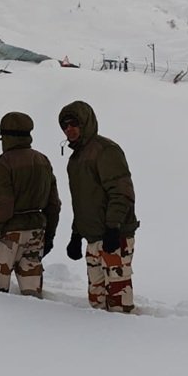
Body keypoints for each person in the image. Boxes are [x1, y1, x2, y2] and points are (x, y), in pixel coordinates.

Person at [58, 101, 138, 313]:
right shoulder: (76, 159)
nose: (69, 129)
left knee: (119, 305)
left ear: (85, 122)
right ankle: (98, 334)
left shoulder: (106, 150)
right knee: (96, 303)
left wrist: (113, 227)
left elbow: (122, 192)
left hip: (114, 237)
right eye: (64, 126)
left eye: (74, 123)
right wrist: (76, 234)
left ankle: (126, 334)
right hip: (93, 238)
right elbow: (83, 202)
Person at [0, 112, 61, 297]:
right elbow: (53, 204)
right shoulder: (43, 161)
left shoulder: (1, 164)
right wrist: (49, 236)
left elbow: (2, 207)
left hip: (9, 235)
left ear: (4, 136)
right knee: (32, 294)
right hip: (36, 232)